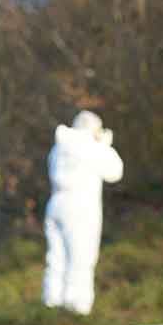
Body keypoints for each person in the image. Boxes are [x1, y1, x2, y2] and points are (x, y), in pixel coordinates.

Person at [43, 110, 124, 314]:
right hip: (80, 205)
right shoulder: (89, 146)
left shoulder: (60, 145)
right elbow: (114, 172)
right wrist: (104, 146)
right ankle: (78, 305)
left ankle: (52, 299)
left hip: (56, 202)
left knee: (57, 256)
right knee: (82, 255)